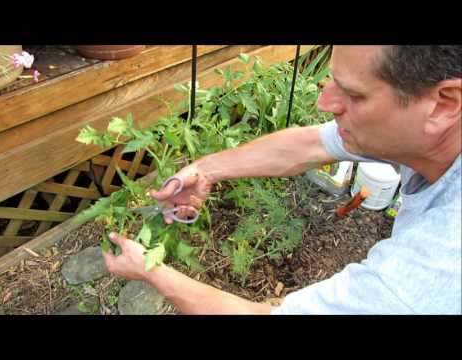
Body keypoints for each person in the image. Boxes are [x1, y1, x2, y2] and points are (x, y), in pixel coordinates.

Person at [102, 45, 461, 314]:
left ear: (445, 104)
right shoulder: (428, 130)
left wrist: (151, 271)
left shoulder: (431, 268)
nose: (324, 102)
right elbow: (308, 145)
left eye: (353, 94)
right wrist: (207, 169)